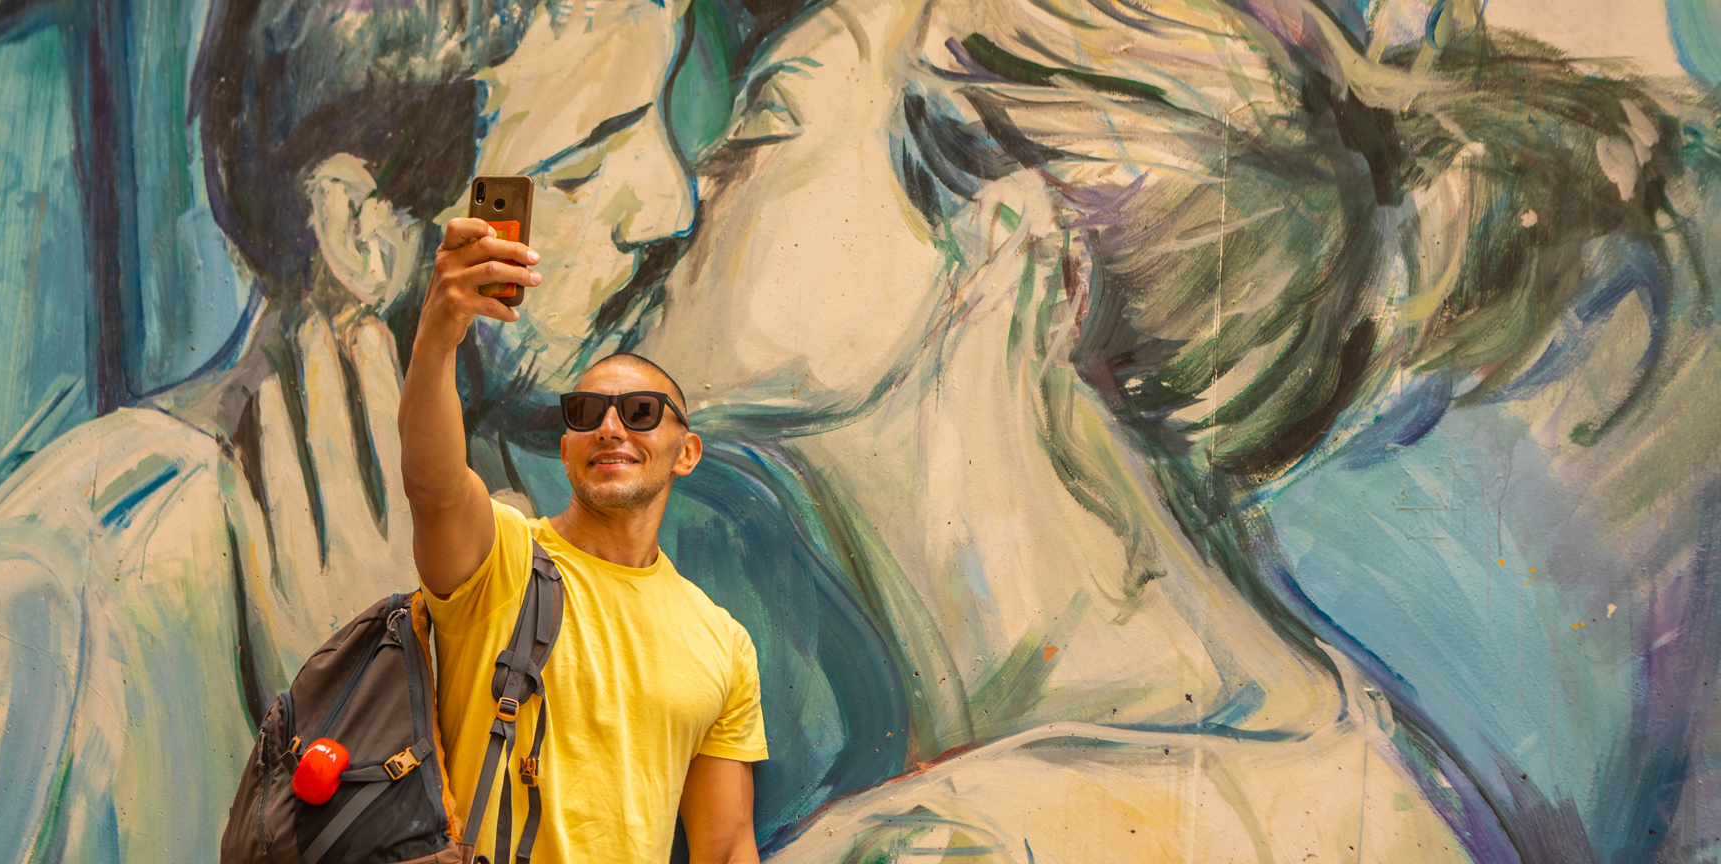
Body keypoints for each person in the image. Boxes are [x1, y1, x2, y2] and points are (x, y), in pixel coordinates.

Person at [482, 0, 1715, 859]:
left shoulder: (952, 844)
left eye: (765, 128)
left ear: (1006, 248)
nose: (684, 187)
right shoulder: (1342, 760)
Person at [0, 0, 737, 860]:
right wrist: (369, 693)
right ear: (361, 231)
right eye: (581, 164)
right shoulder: (86, 580)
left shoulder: (528, 523)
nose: (672, 207)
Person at [404, 218, 769, 861]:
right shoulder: (502, 559)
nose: (609, 427)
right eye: (584, 413)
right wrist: (439, 334)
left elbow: (725, 842)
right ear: (565, 448)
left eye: (640, 413)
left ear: (686, 453)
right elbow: (433, 487)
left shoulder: (723, 642)